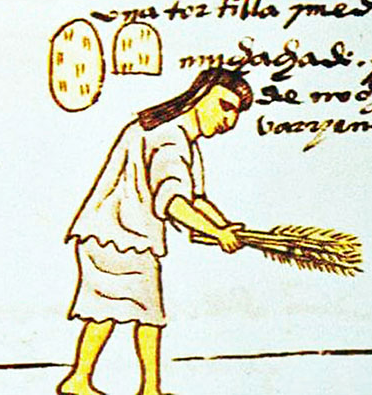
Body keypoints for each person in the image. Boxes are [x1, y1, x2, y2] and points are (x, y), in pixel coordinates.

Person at [57, 67, 253, 395]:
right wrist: (218, 234)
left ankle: (93, 381)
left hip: (118, 235)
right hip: (118, 237)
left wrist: (222, 226)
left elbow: (196, 199)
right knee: (142, 313)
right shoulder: (169, 137)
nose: (229, 120)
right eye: (225, 106)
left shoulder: (175, 136)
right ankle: (132, 387)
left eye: (236, 114)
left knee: (120, 311)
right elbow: (173, 202)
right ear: (202, 95)